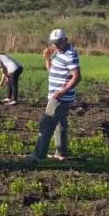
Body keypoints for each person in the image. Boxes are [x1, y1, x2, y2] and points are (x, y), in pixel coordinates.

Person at [27, 28, 81, 164]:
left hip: (60, 97)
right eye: (53, 43)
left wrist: (62, 91)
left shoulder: (70, 55)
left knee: (46, 124)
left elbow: (77, 77)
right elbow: (52, 70)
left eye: (58, 43)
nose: (55, 46)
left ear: (65, 41)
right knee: (60, 124)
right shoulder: (57, 52)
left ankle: (39, 155)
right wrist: (47, 59)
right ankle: (61, 153)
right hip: (57, 95)